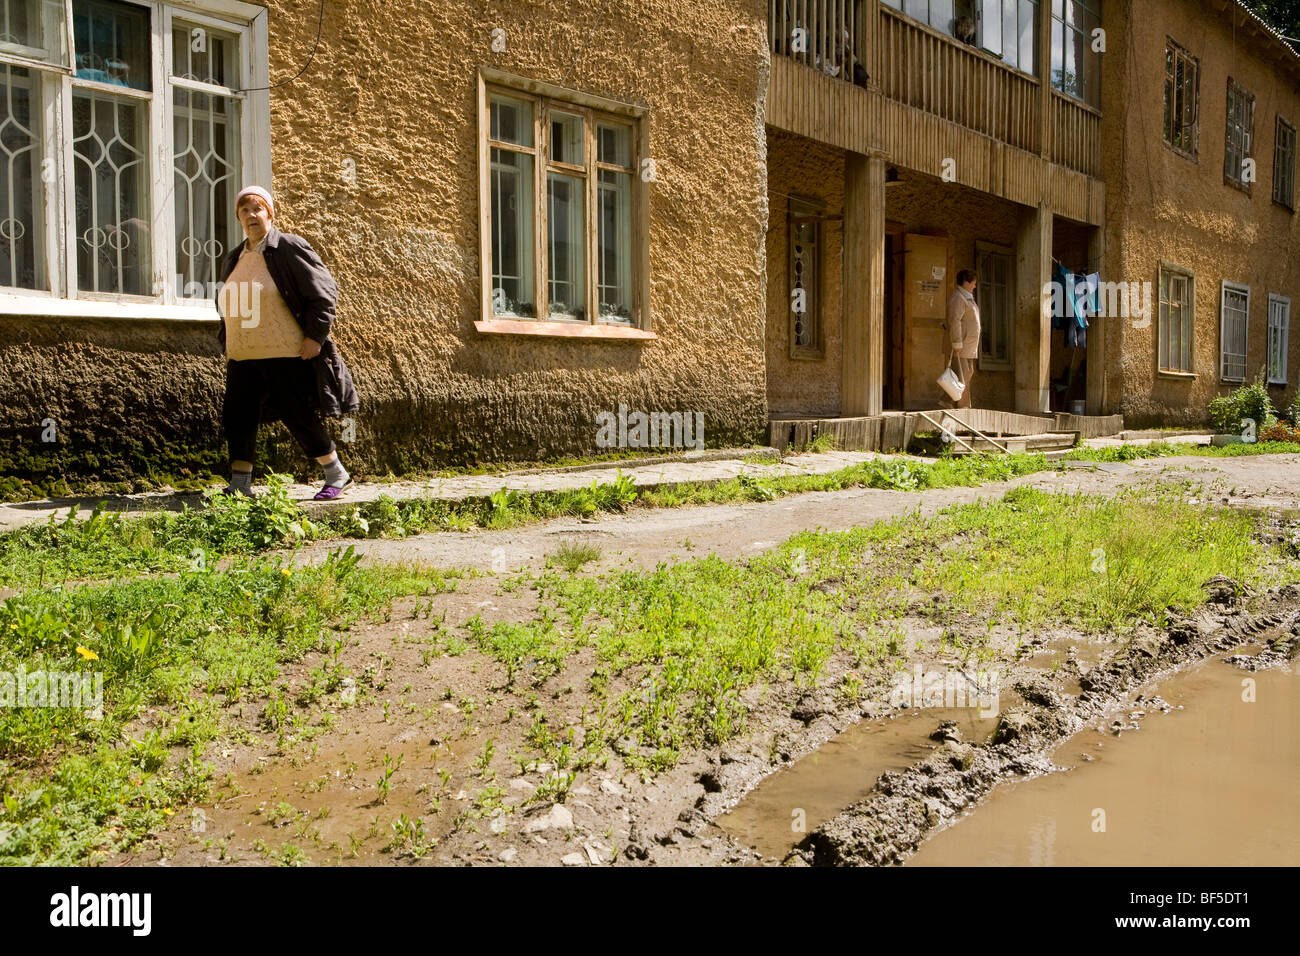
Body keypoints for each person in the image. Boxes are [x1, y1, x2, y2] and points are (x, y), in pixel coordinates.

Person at [215, 185, 359, 500]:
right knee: (238, 415)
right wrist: (228, 342)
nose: (251, 215)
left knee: (297, 414)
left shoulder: (289, 247)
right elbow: (230, 303)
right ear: (238, 217)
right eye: (244, 210)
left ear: (270, 213)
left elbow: (323, 294)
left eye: (257, 208)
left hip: (285, 350)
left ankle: (336, 473)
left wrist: (314, 337)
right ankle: (240, 484)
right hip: (243, 355)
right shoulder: (235, 257)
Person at [946, 269, 981, 410]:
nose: (974, 286)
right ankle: (959, 405)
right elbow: (955, 321)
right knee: (961, 376)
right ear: (966, 283)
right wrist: (957, 343)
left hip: (969, 345)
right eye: (973, 283)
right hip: (962, 344)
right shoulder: (958, 298)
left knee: (966, 374)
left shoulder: (966, 297)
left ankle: (957, 404)